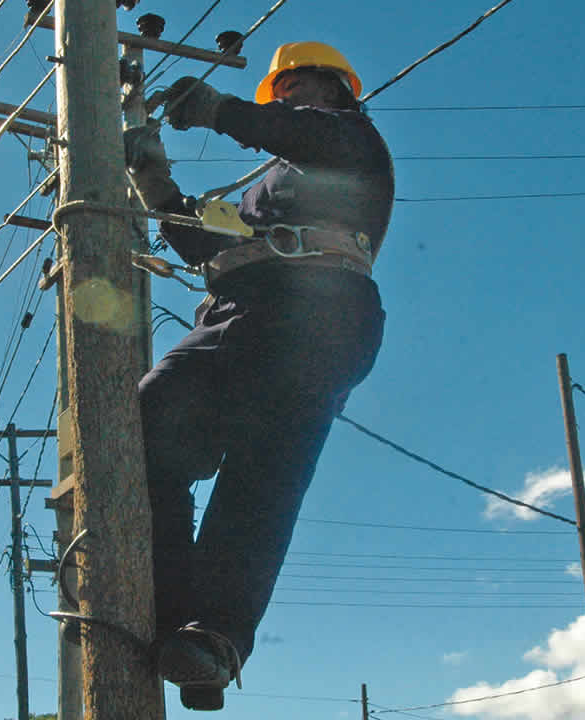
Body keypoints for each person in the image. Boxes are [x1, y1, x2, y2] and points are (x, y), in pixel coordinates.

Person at [124, 41, 394, 711]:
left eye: (295, 82)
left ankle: (214, 638)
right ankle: (170, 616)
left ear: (335, 88)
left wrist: (218, 110)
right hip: (236, 312)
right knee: (144, 428)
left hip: (318, 312)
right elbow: (200, 240)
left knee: (262, 472)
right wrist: (153, 179)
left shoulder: (351, 141)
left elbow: (297, 132)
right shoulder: (268, 186)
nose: (284, 93)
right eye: (280, 86)